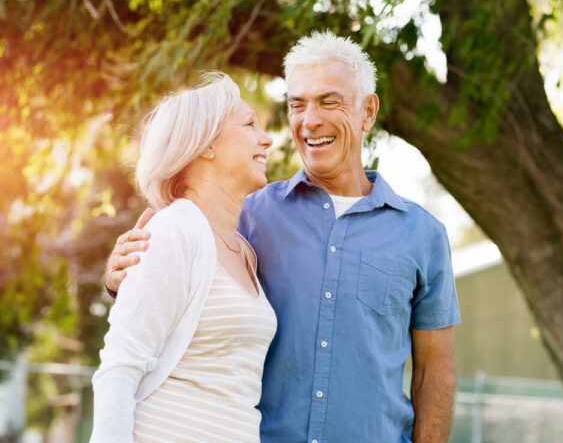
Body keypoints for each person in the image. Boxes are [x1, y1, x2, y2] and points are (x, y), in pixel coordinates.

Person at [105, 31, 460, 442]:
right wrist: (121, 277)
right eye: (297, 104)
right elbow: (170, 284)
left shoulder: (423, 236)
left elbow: (436, 373)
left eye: (329, 102)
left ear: (368, 111)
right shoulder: (246, 216)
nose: (310, 120)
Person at [91, 72, 276, 442]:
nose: (266, 138)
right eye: (249, 124)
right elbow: (119, 367)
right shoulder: (175, 230)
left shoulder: (245, 252)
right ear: (207, 144)